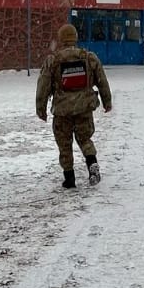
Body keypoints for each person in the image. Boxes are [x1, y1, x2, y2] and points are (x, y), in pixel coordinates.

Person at [36, 23, 112, 188]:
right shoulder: (88, 57)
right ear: (75, 38)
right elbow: (102, 81)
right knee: (85, 139)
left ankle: (69, 178)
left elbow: (43, 86)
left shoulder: (53, 61)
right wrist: (107, 101)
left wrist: (40, 108)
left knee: (64, 144)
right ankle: (92, 164)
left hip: (62, 111)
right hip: (84, 108)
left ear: (61, 39)